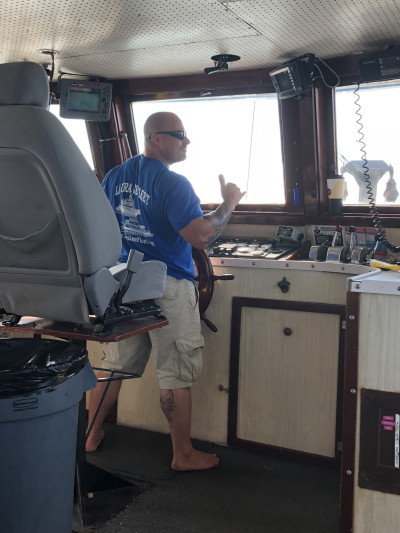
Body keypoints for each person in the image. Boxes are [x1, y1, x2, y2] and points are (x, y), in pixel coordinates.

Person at [86, 111, 245, 471]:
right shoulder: (173, 183)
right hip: (168, 285)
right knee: (175, 371)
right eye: (179, 134)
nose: (187, 141)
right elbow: (200, 236)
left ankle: (91, 435)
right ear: (155, 138)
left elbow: (101, 226)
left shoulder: (114, 176)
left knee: (115, 367)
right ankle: (183, 455)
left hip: (125, 283)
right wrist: (230, 203)